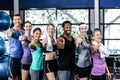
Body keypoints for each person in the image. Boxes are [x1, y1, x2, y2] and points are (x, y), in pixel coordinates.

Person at [7, 14, 24, 80]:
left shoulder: (23, 32)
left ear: (21, 21)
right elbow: (9, 34)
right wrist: (10, 33)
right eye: (15, 19)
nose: (17, 21)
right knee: (11, 77)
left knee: (19, 76)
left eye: (19, 19)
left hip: (22, 57)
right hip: (13, 57)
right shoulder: (11, 30)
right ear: (13, 21)